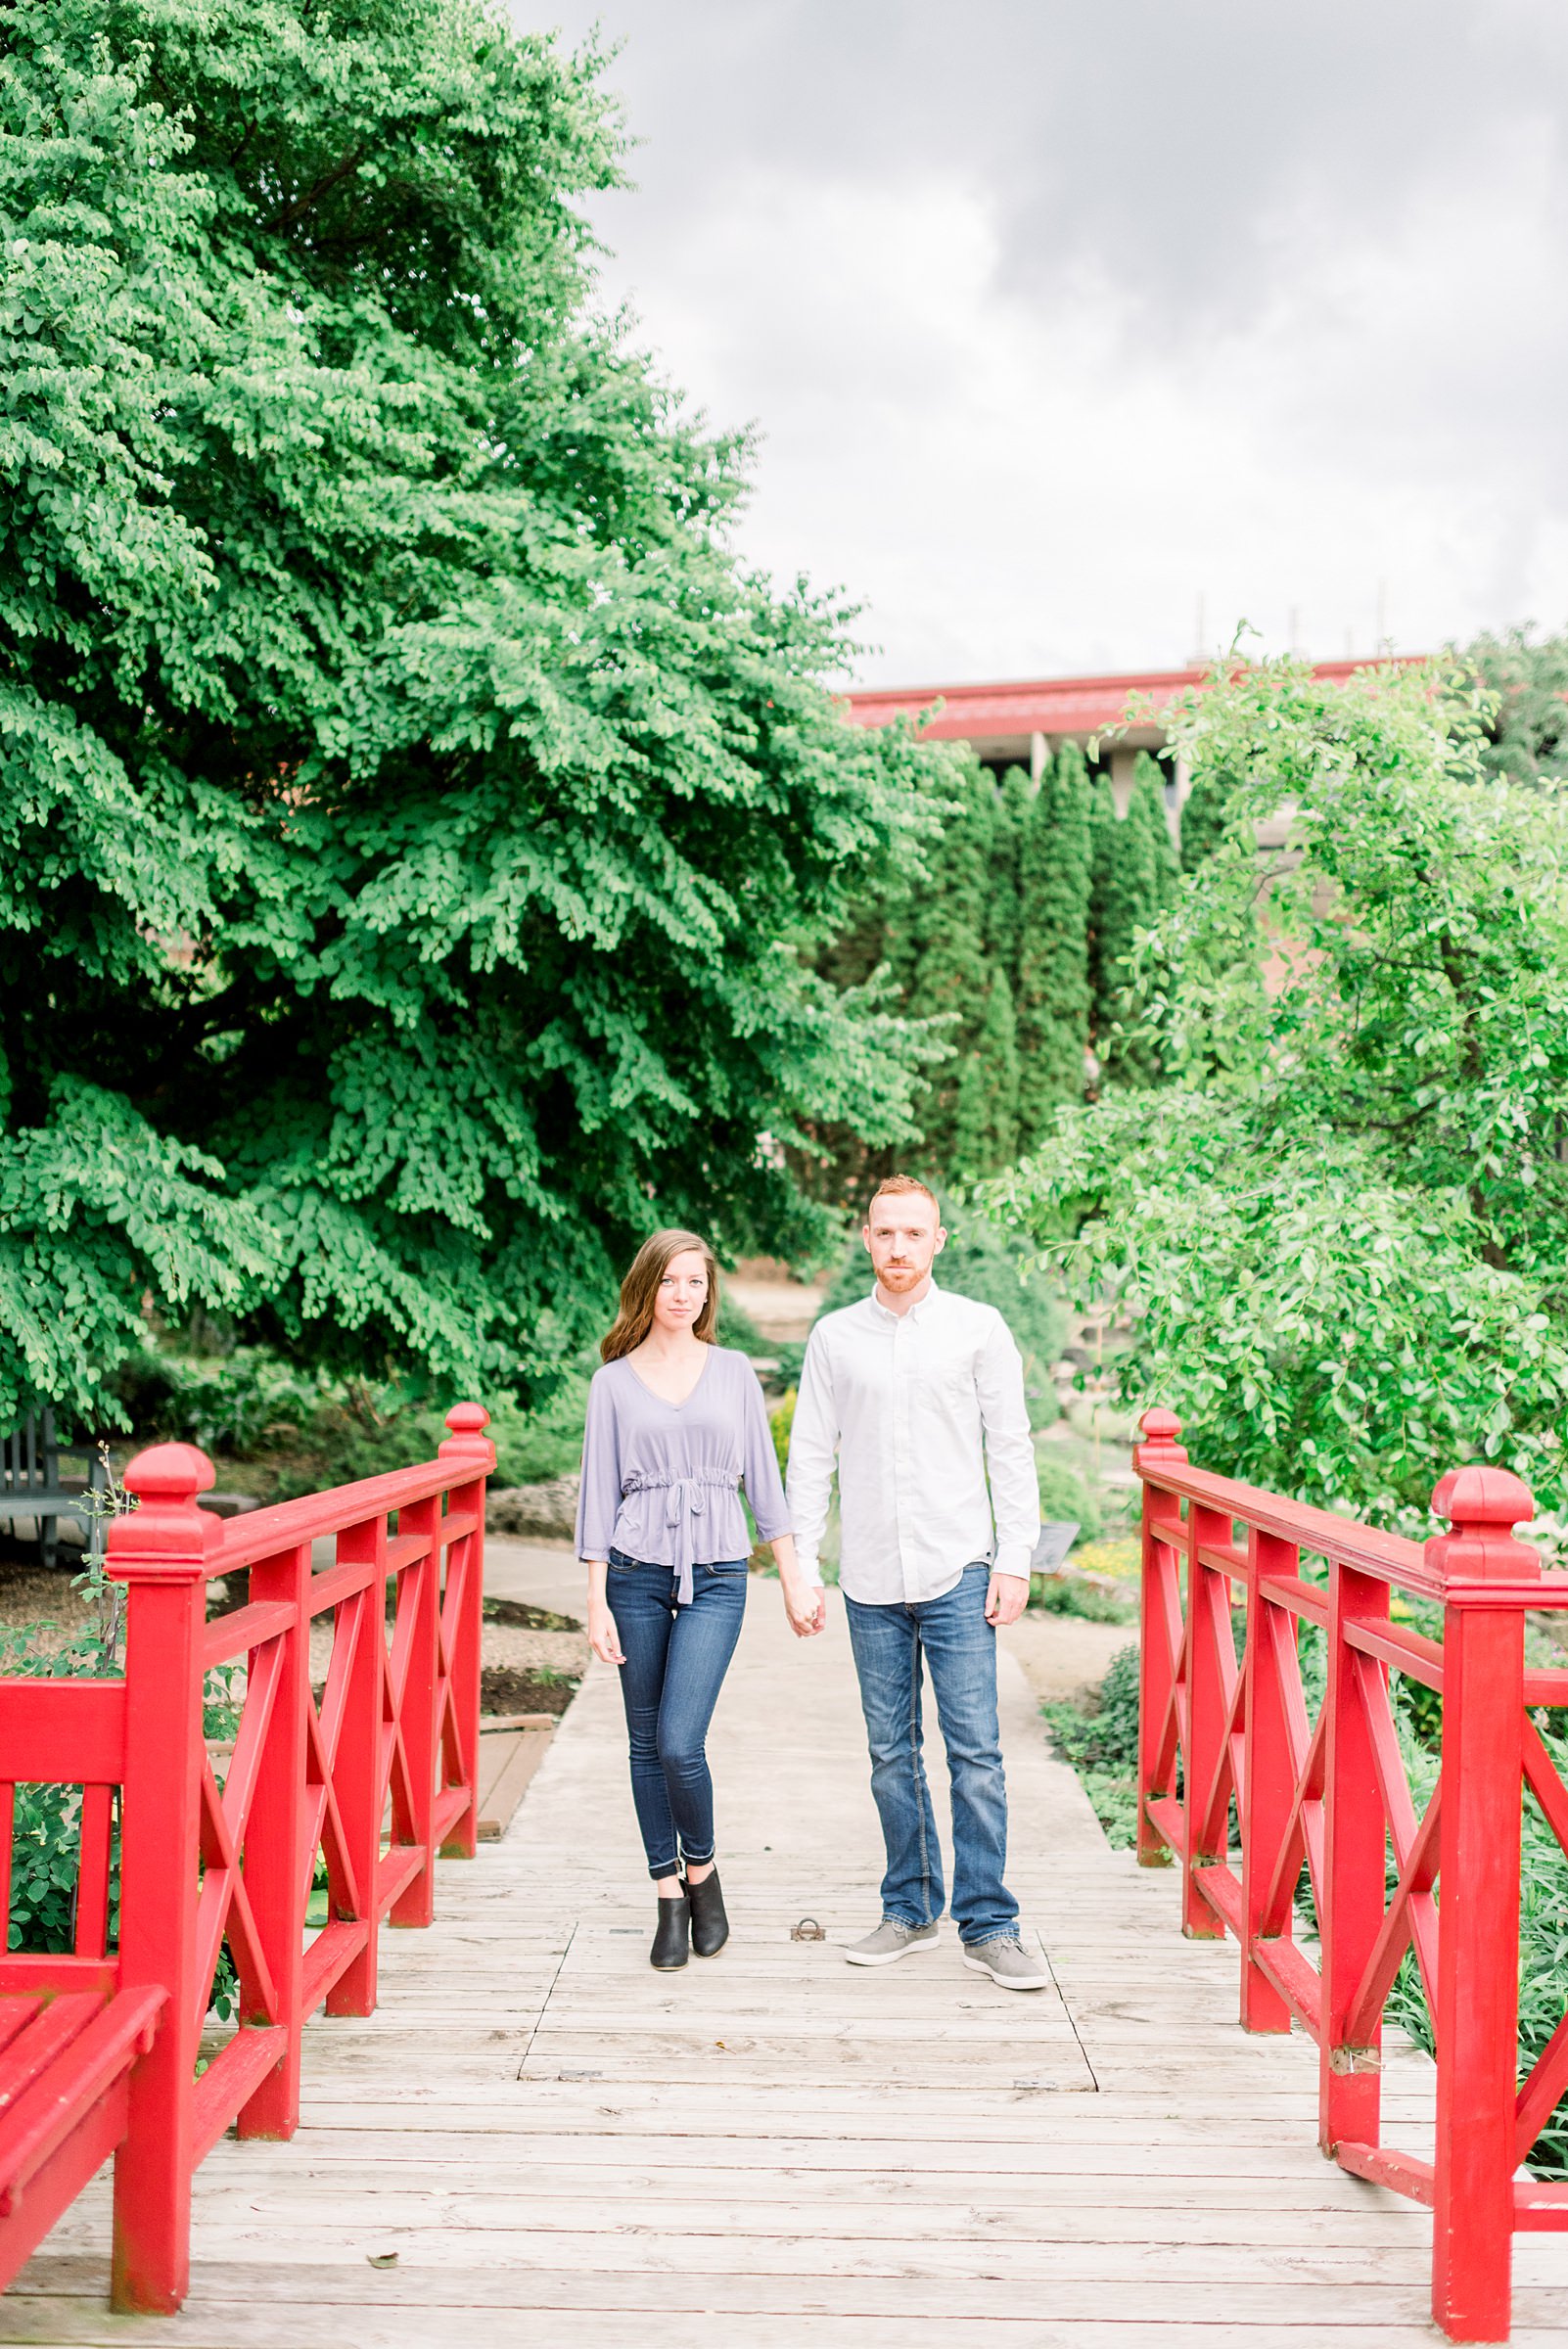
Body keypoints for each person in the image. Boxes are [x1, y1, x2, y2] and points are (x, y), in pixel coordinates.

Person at [785, 1175, 1046, 1989]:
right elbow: (811, 1456)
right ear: (866, 1238)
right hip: (868, 1576)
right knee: (890, 1754)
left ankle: (991, 1924)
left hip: (959, 1568)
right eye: (884, 1232)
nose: (897, 1247)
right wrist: (803, 1565)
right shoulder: (834, 1337)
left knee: (976, 1756)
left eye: (913, 1233)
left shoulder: (978, 1329)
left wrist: (1014, 1558)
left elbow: (1010, 1446)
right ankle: (910, 1907)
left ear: (938, 1240)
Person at [578, 1228, 826, 1970]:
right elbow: (595, 1499)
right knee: (644, 1741)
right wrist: (595, 1601)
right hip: (634, 1571)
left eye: (696, 1282)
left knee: (681, 1742)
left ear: (708, 1292)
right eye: (670, 1281)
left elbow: (764, 1480)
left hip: (717, 1572)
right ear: (646, 1287)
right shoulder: (613, 1382)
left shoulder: (734, 1371)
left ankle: (704, 1872)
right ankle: (666, 1894)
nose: (683, 1295)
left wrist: (791, 1576)